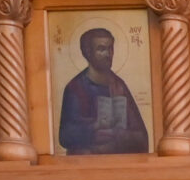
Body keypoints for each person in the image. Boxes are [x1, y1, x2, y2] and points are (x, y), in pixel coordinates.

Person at [58, 26, 150, 155]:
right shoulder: (75, 88)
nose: (108, 54)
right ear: (87, 53)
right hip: (84, 163)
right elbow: (65, 136)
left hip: (120, 162)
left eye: (110, 48)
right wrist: (92, 129)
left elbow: (142, 138)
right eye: (101, 49)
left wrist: (119, 135)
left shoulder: (119, 86)